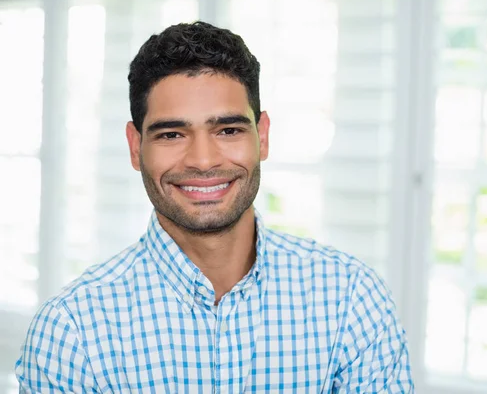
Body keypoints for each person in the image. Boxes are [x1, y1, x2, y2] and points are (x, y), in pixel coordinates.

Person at [16, 21, 414, 393]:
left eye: (227, 130)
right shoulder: (71, 330)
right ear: (136, 147)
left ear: (263, 137)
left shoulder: (350, 299)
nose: (203, 161)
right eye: (172, 133)